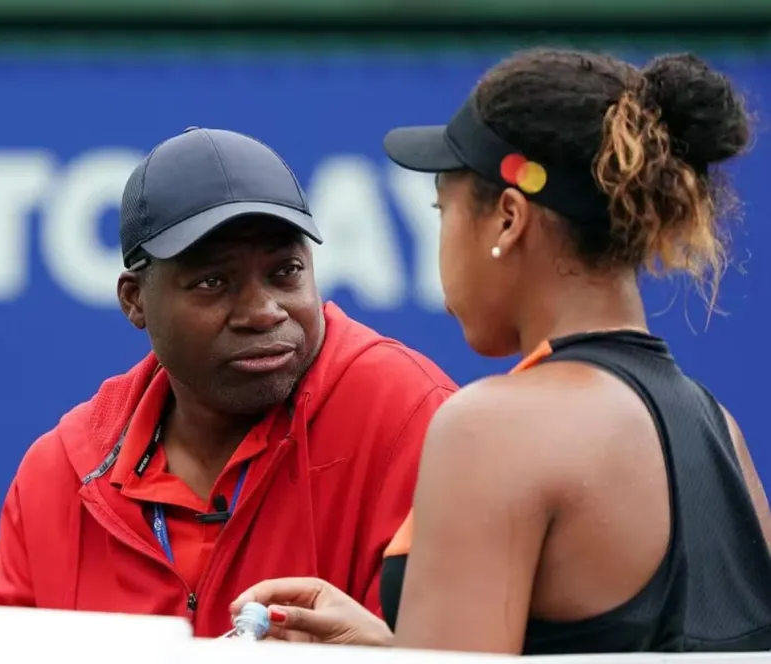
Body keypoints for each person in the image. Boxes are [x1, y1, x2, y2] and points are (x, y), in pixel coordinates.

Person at [0, 127, 458, 637]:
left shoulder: (408, 416)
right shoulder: (61, 471)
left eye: (284, 273)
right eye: (214, 281)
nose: (262, 311)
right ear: (134, 300)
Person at [232, 50, 771, 652]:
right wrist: (391, 649)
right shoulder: (720, 431)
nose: (441, 237)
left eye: (444, 209)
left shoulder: (490, 430)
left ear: (509, 219)